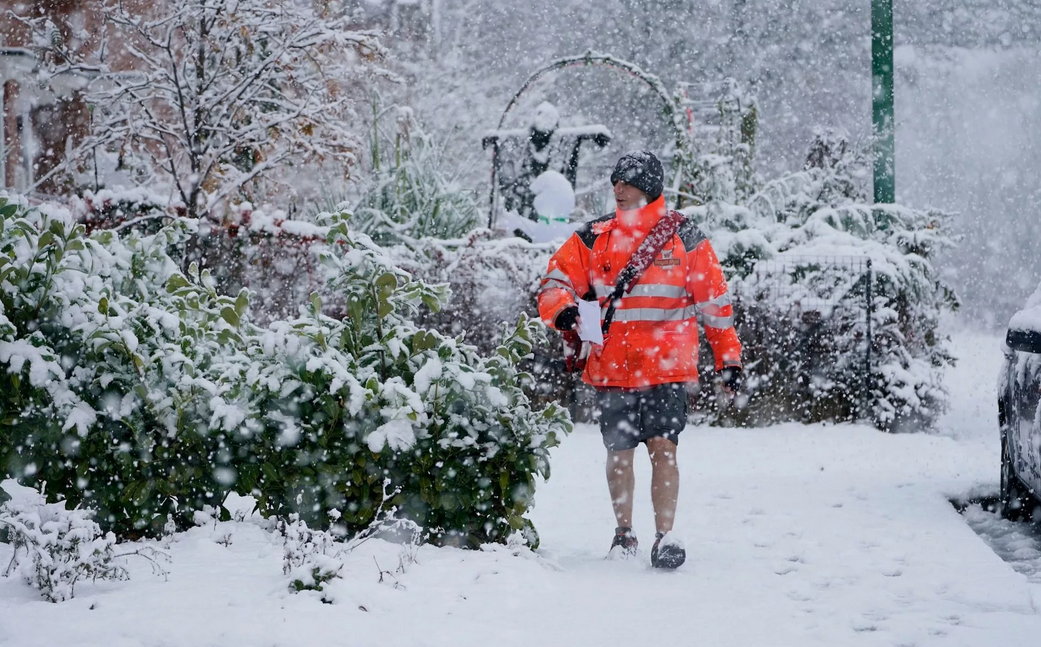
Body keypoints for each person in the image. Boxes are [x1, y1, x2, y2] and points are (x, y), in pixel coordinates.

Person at [537, 151, 743, 569]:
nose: (618, 188)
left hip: (666, 370)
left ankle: (666, 536)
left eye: (627, 181)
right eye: (615, 181)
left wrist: (729, 357)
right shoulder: (594, 236)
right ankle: (623, 534)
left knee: (664, 448)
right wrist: (561, 308)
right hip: (614, 367)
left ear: (648, 187)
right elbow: (555, 279)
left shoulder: (685, 238)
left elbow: (715, 302)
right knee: (620, 451)